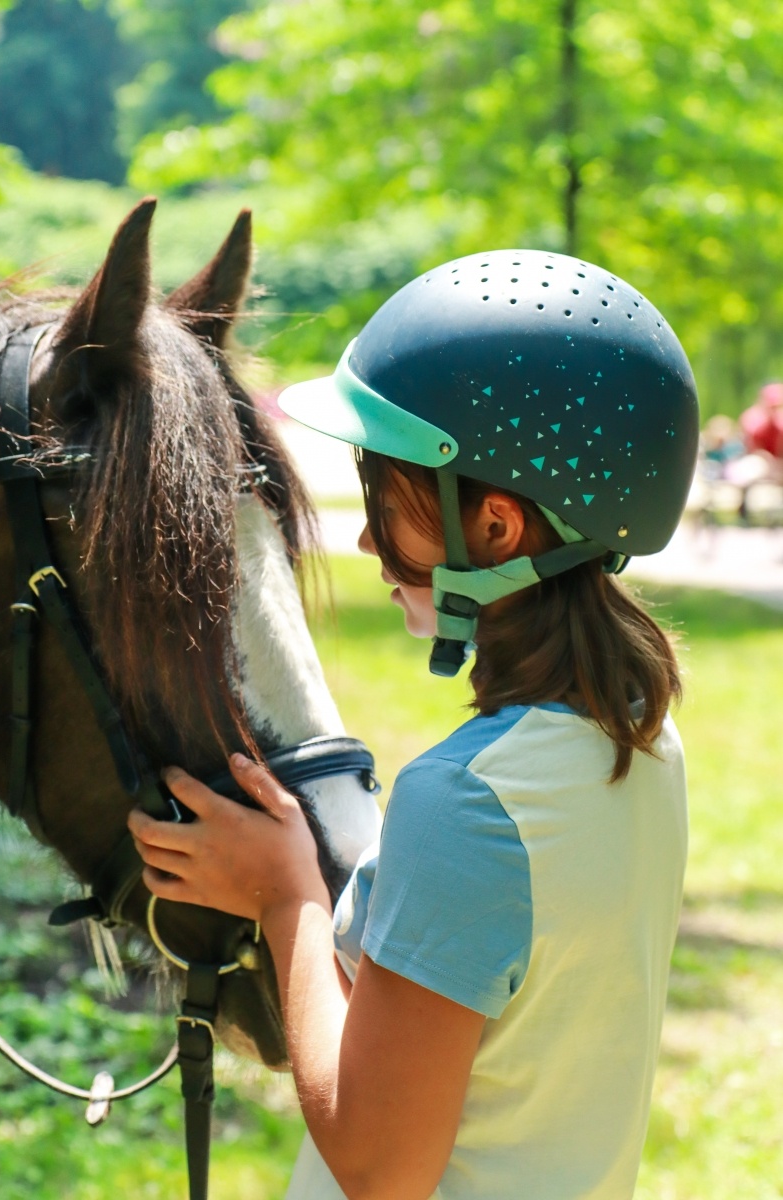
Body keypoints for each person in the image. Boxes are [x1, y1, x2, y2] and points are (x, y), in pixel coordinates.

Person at [129, 249, 700, 1200]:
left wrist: (286, 898)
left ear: (498, 529)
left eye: (385, 497)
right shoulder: (636, 735)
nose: (364, 541)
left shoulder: (470, 800)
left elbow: (381, 1163)